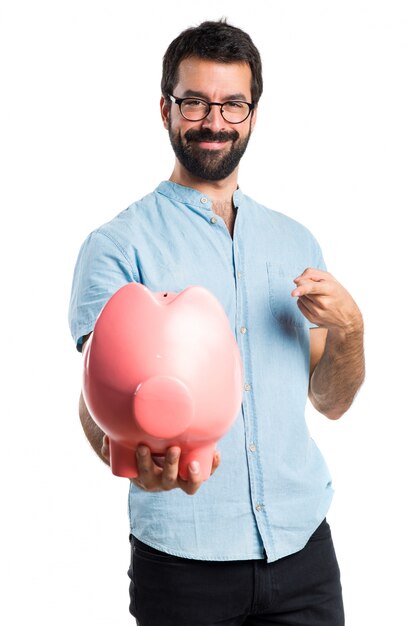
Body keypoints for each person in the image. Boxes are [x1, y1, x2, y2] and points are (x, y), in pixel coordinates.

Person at [69, 19, 365, 626]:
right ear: (165, 108)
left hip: (303, 551)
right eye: (195, 101)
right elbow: (96, 402)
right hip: (184, 564)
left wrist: (352, 330)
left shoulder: (294, 241)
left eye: (232, 104)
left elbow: (331, 402)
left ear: (253, 114)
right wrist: (124, 456)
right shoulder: (119, 246)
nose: (213, 121)